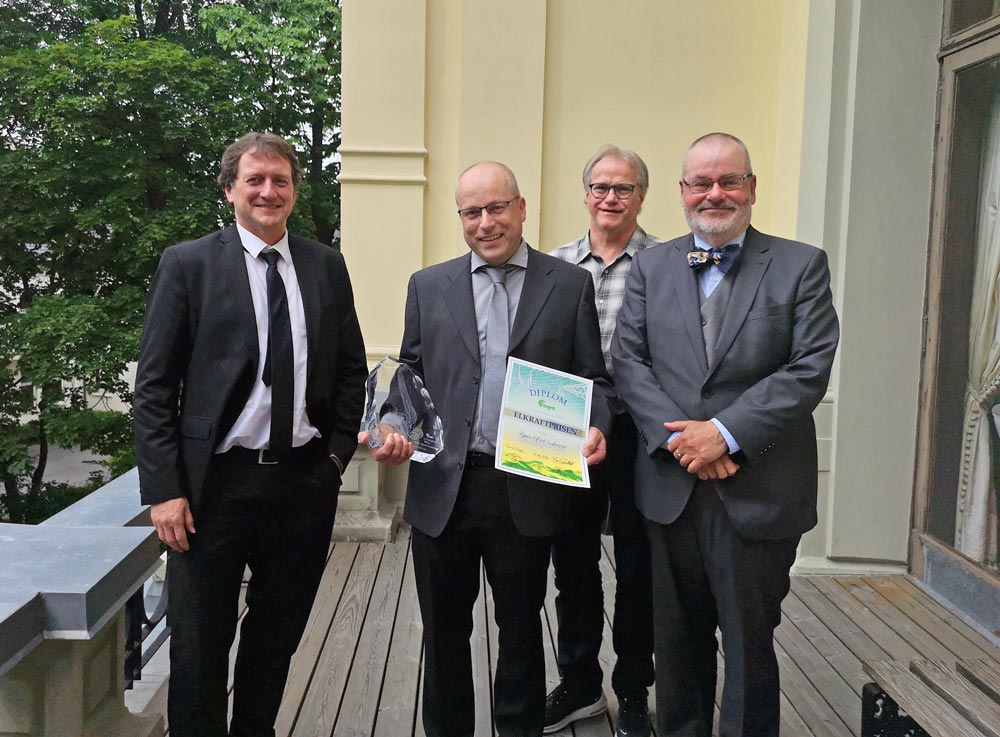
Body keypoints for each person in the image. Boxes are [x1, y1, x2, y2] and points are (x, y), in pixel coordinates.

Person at [363, 161, 613, 737]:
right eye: (471, 212)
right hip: (444, 488)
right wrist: (391, 424)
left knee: (521, 629)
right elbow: (411, 377)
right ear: (461, 219)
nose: (485, 222)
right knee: (443, 631)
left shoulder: (568, 284)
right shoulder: (429, 285)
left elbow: (594, 378)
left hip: (524, 484)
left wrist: (595, 422)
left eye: (496, 207)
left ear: (521, 209)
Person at [133, 132, 368, 737]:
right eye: (255, 179)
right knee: (198, 648)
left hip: (303, 484)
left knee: (274, 642)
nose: (268, 190)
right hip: (213, 488)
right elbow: (155, 387)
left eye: (280, 180)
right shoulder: (188, 265)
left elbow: (350, 370)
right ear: (231, 188)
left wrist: (337, 456)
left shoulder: (325, 265)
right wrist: (163, 489)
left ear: (294, 189)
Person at [611, 132, 839, 737]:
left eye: (728, 180)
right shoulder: (652, 266)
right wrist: (686, 444)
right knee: (677, 651)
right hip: (670, 489)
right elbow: (629, 363)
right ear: (682, 192)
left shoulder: (800, 265)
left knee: (748, 650)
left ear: (751, 188)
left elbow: (809, 369)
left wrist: (725, 433)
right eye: (701, 183)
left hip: (758, 492)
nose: (715, 193)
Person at [545, 145, 659, 737]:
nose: (610, 198)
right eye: (600, 187)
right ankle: (580, 682)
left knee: (640, 566)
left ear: (642, 195)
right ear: (585, 193)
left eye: (623, 188)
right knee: (574, 563)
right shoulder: (556, 266)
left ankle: (634, 686)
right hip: (571, 433)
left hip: (642, 437)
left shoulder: (667, 264)